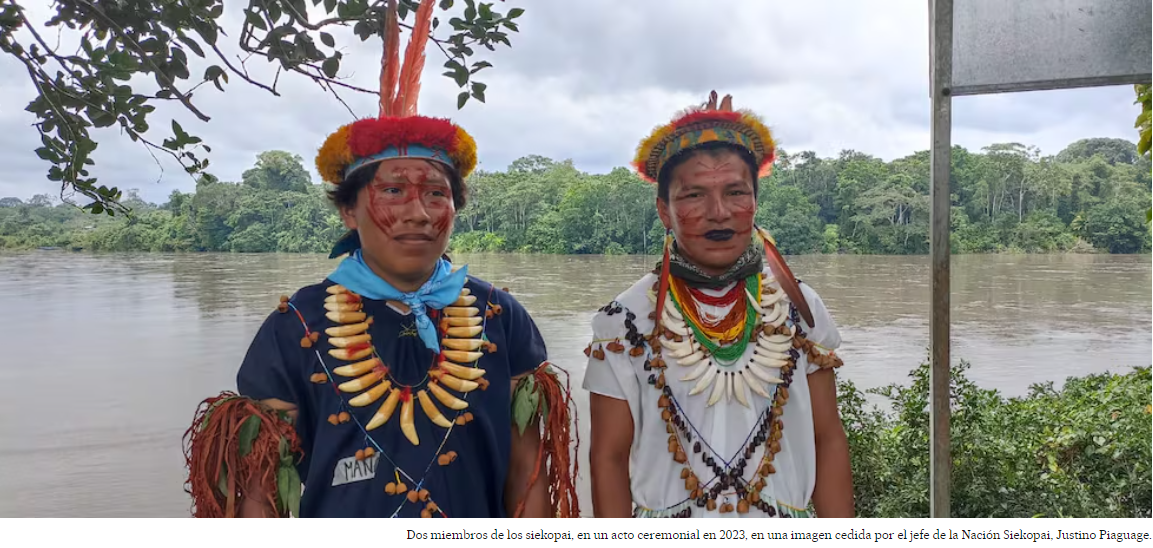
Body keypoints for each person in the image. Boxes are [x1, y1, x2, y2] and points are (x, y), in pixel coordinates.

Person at [181, 0, 578, 518]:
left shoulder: (501, 318)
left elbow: (528, 481)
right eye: (392, 191)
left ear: (455, 208)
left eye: (437, 194)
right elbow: (258, 497)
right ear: (349, 210)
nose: (417, 213)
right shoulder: (294, 326)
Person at [582, 91, 853, 519]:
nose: (718, 212)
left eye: (735, 192)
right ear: (664, 212)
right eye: (693, 196)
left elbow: (828, 438)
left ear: (755, 202)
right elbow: (608, 459)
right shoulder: (625, 321)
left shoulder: (800, 307)